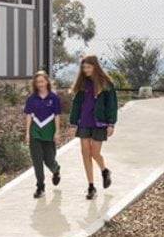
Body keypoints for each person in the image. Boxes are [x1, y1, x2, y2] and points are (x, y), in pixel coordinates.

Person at [68, 56, 117, 200]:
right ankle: (91, 186)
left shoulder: (106, 84)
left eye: (88, 67)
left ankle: (104, 171)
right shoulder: (82, 84)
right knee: (85, 152)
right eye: (84, 68)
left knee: (95, 153)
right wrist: (73, 122)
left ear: (95, 67)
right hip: (84, 122)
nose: (86, 70)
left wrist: (111, 123)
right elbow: (76, 104)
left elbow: (112, 105)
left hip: (99, 123)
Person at [22, 70, 63, 198]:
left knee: (49, 159)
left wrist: (57, 132)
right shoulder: (31, 99)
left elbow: (57, 115)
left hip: (49, 132)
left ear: (47, 81)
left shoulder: (54, 98)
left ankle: (55, 170)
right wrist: (28, 132)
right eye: (37, 82)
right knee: (37, 160)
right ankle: (40, 186)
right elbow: (28, 115)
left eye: (42, 81)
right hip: (35, 132)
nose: (40, 84)